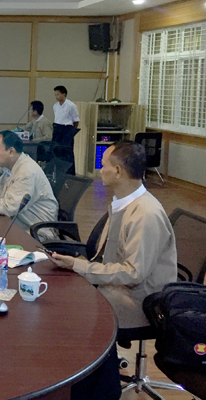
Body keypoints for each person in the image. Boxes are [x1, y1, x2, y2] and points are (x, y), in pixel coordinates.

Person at [50, 141, 177, 330]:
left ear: (118, 171)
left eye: (103, 165)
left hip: (138, 302)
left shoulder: (146, 214)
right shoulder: (124, 203)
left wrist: (80, 266)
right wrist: (76, 265)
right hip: (117, 288)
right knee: (61, 294)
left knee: (68, 310)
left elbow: (133, 273)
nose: (101, 170)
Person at [52, 85, 80, 174]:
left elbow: (76, 121)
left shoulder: (71, 105)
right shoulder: (55, 106)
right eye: (55, 95)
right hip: (57, 128)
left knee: (67, 152)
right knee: (56, 151)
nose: (56, 97)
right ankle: (59, 172)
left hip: (67, 129)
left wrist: (71, 132)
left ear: (64, 94)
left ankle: (70, 173)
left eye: (58, 94)